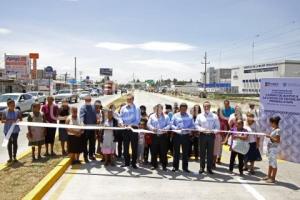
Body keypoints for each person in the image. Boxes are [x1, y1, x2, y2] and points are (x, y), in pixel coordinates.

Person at [195, 101, 220, 174]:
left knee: (210, 153)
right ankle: (202, 167)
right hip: (202, 135)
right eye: (205, 106)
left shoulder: (214, 116)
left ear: (210, 107)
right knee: (202, 152)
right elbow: (196, 125)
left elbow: (217, 127)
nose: (206, 108)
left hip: (211, 136)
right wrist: (202, 129)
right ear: (203, 107)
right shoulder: (199, 115)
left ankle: (209, 168)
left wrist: (213, 131)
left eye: (208, 106)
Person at [119, 94, 141, 169]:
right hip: (125, 129)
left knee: (134, 147)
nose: (128, 101)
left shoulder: (136, 108)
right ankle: (126, 162)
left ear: (133, 100)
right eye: (127, 99)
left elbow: (138, 120)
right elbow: (120, 117)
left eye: (130, 99)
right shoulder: (123, 108)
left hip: (133, 129)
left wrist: (131, 125)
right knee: (125, 147)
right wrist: (121, 123)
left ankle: (134, 163)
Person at [171, 103, 194, 173]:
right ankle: (175, 167)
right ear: (179, 109)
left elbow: (193, 126)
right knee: (176, 153)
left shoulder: (190, 116)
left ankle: (185, 168)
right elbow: (171, 124)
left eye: (184, 109)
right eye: (182, 109)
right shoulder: (175, 115)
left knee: (185, 153)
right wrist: (176, 128)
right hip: (177, 136)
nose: (183, 110)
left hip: (186, 136)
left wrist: (189, 129)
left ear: (186, 109)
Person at [147, 104, 171, 171]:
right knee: (154, 151)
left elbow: (169, 124)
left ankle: (164, 166)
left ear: (162, 109)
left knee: (163, 152)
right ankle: (154, 165)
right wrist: (152, 128)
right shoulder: (152, 116)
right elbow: (148, 124)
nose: (158, 110)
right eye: (157, 109)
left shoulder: (166, 117)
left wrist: (165, 129)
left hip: (163, 136)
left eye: (159, 109)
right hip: (155, 136)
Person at [2, 98, 22, 162]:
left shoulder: (17, 111)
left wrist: (18, 120)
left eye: (14, 105)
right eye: (12, 105)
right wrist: (10, 121)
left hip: (15, 130)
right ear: (8, 105)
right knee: (9, 143)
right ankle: (10, 157)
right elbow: (2, 120)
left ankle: (15, 157)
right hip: (7, 130)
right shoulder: (4, 112)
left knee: (15, 142)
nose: (13, 106)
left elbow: (20, 119)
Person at [262, 116, 281, 183]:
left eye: (271, 123)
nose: (270, 124)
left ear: (274, 123)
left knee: (274, 164)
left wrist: (269, 136)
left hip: (273, 149)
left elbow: (278, 140)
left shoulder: (278, 130)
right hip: (270, 148)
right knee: (270, 163)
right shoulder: (274, 129)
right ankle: (269, 176)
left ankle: (273, 178)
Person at [80, 95, 97, 163]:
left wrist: (96, 123)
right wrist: (82, 122)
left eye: (89, 100)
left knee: (92, 143)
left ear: (91, 100)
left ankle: (91, 155)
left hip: (92, 128)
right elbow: (81, 116)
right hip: (85, 129)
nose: (88, 101)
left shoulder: (93, 107)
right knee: (85, 144)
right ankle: (85, 156)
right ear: (85, 100)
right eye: (87, 100)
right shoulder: (83, 108)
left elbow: (94, 117)